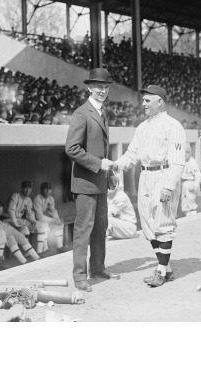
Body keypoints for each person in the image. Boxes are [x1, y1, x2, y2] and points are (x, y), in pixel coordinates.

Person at [113, 85, 186, 288]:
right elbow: (131, 155)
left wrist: (169, 186)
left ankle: (160, 271)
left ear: (159, 101)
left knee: (163, 224)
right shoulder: (142, 127)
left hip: (164, 174)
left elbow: (178, 161)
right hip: (145, 176)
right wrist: (115, 165)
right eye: (143, 100)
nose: (143, 104)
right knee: (148, 226)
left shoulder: (173, 126)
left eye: (147, 100)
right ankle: (167, 268)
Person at [65, 67, 119, 292]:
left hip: (100, 181)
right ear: (89, 87)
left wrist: (110, 172)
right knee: (83, 230)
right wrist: (99, 165)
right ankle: (79, 276)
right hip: (85, 184)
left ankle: (97, 268)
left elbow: (102, 148)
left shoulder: (102, 112)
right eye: (98, 87)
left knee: (100, 227)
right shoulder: (81, 113)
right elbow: (71, 148)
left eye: (105, 87)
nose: (102, 90)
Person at [0, 180, 39, 263]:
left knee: (12, 237)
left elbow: (0, 211)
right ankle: (34, 258)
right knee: (14, 235)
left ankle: (25, 261)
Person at [6, 181, 50, 255]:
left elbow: (29, 214)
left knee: (42, 225)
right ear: (22, 188)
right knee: (25, 229)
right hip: (9, 219)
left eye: (29, 188)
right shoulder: (15, 195)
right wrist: (15, 222)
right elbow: (11, 210)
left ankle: (43, 248)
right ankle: (27, 251)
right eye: (25, 188)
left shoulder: (28, 200)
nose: (27, 190)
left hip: (19, 220)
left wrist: (33, 221)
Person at [32, 182, 65, 252]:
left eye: (49, 189)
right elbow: (39, 216)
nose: (47, 191)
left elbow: (53, 212)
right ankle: (40, 251)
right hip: (34, 220)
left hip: (44, 219)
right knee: (44, 226)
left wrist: (57, 220)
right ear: (41, 190)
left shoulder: (51, 199)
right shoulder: (37, 198)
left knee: (59, 224)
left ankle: (60, 247)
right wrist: (54, 220)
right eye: (45, 189)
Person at [106, 174, 137, 239]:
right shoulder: (108, 196)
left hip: (129, 227)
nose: (108, 189)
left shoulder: (120, 196)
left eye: (112, 186)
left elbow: (108, 213)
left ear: (117, 186)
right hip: (120, 225)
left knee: (103, 218)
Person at [180, 145, 201, 217]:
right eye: (184, 152)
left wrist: (195, 186)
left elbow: (198, 175)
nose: (185, 154)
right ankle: (187, 216)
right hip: (184, 182)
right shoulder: (185, 162)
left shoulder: (192, 162)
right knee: (184, 202)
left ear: (190, 153)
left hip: (190, 182)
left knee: (191, 201)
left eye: (187, 152)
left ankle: (193, 217)